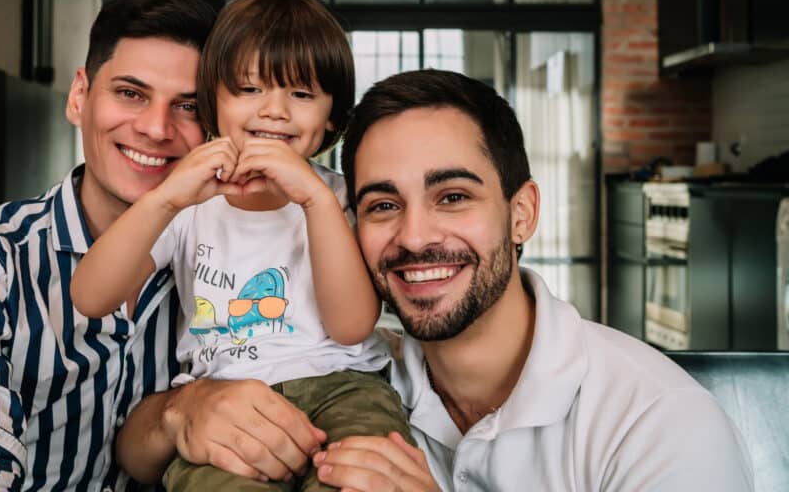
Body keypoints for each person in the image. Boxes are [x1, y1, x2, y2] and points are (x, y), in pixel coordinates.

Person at [311, 69, 754, 491]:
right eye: (383, 205)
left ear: (522, 214)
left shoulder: (658, 423)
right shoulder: (347, 383)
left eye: (453, 197)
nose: (414, 237)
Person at [71, 0, 412, 491]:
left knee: (363, 478)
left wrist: (315, 203)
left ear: (333, 118)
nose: (274, 112)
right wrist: (165, 201)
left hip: (345, 390)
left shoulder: (336, 196)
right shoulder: (188, 201)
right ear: (212, 102)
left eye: (300, 95)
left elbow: (352, 326)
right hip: (222, 403)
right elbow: (90, 296)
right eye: (249, 89)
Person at [0, 0, 215, 491]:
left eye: (189, 106)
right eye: (131, 93)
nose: (157, 128)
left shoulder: (230, 270)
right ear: (79, 98)